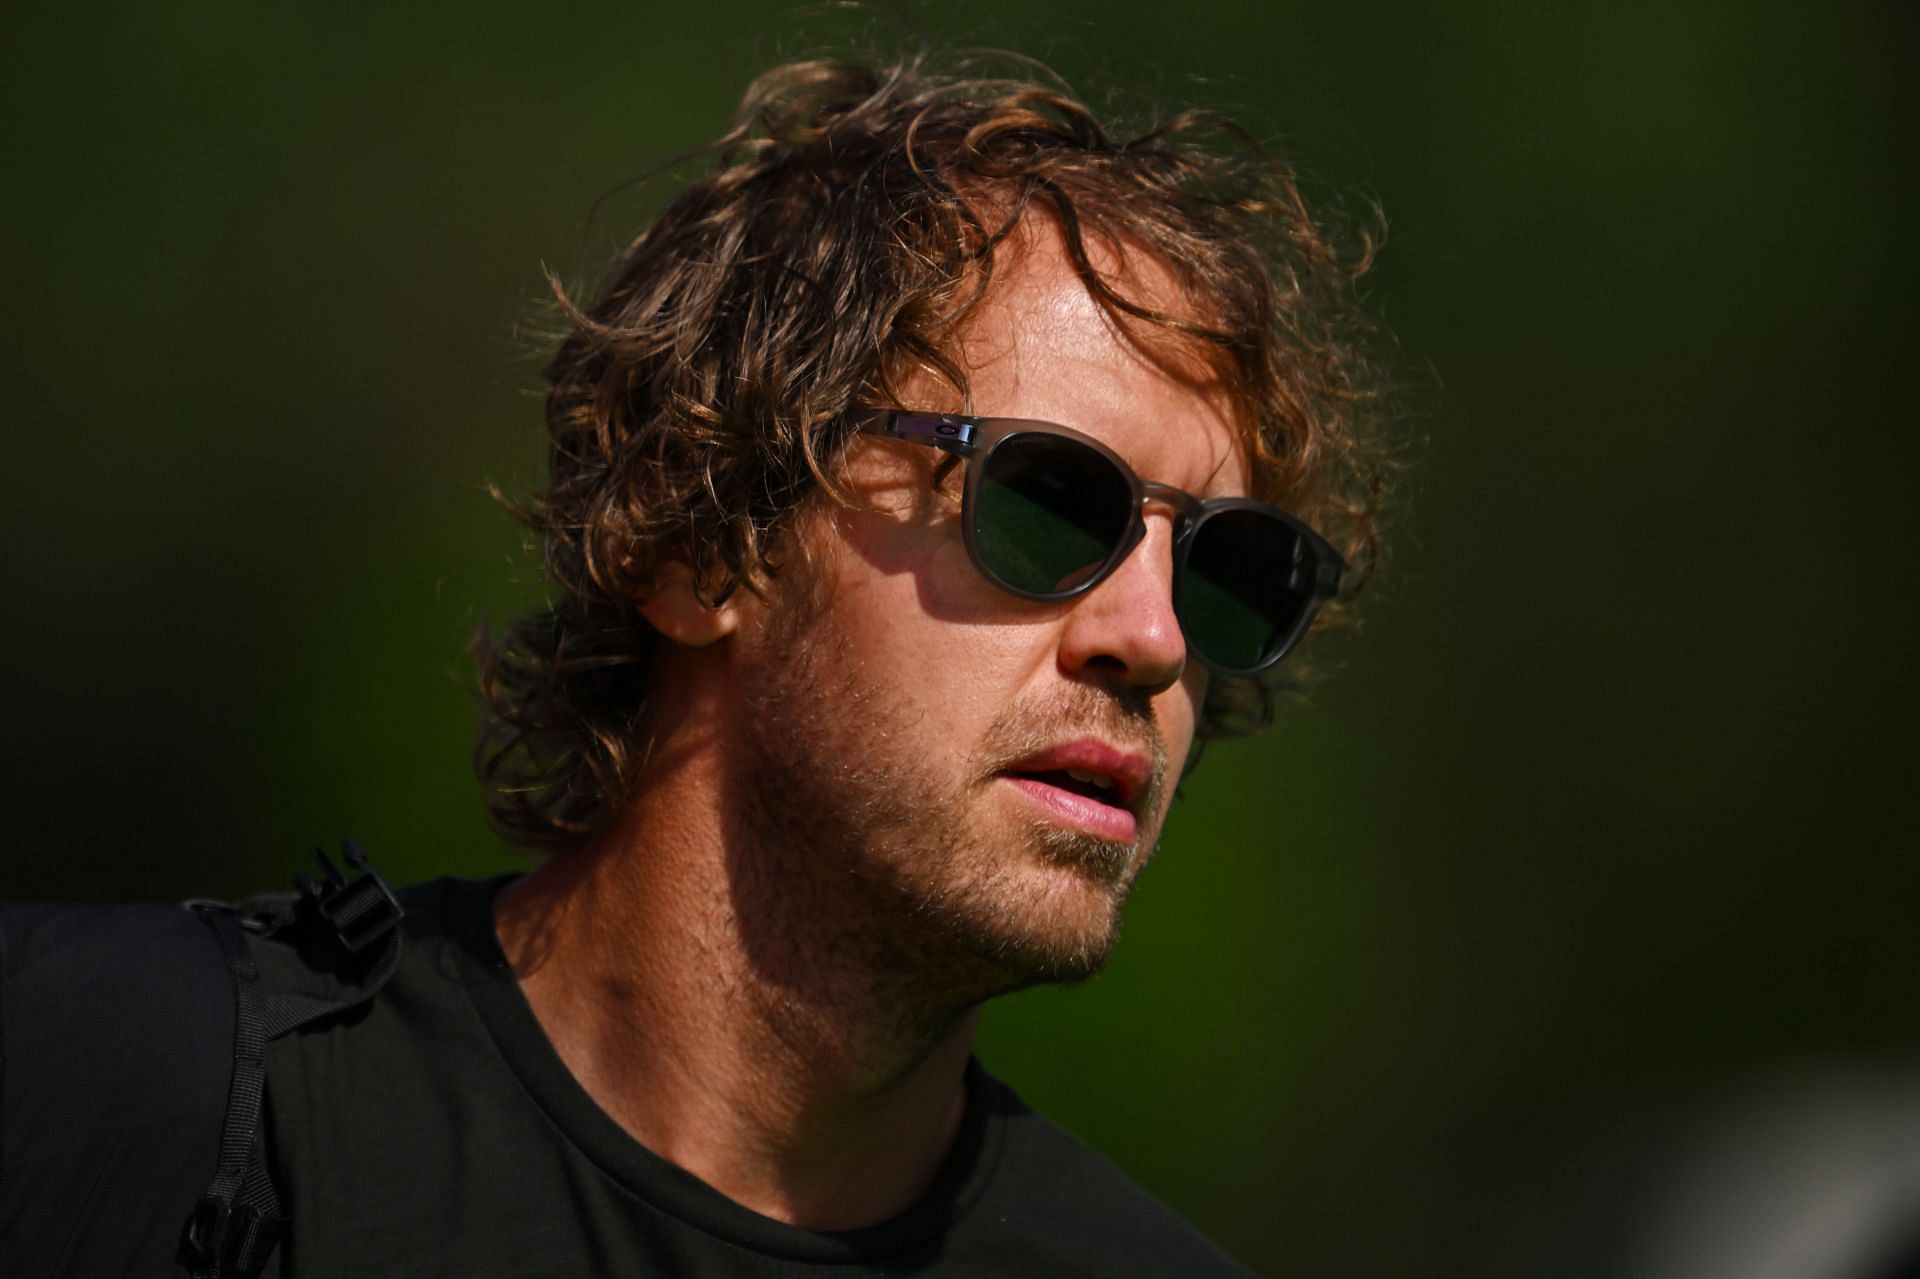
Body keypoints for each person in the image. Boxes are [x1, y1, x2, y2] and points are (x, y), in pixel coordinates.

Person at [1, 49, 1389, 1278]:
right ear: (700, 541)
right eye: (1050, 504)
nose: (1150, 638)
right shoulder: (114, 1085)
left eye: (1224, 569)